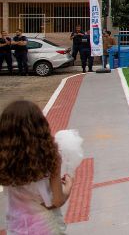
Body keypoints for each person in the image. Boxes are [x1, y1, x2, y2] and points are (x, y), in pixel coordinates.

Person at [0, 100, 73, 234]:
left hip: (17, 227)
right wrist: (68, 186)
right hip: (47, 227)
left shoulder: (4, 159)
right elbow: (56, 201)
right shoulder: (51, 157)